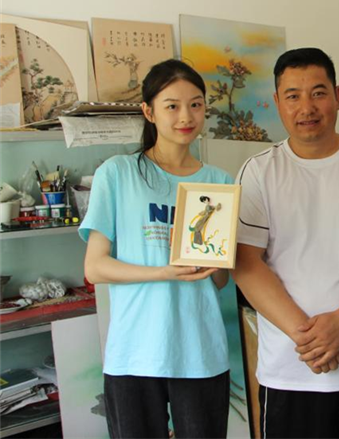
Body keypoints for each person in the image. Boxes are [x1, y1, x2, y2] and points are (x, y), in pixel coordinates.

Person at [233, 47, 339, 439]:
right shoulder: (258, 172)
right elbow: (247, 264)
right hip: (289, 371)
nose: (306, 107)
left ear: (338, 96)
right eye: (293, 96)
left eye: (318, 93)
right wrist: (309, 338)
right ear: (277, 102)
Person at [81, 59, 232, 439]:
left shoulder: (219, 182)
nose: (186, 116)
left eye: (195, 105)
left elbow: (220, 281)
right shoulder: (118, 172)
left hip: (200, 351)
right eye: (172, 106)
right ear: (149, 112)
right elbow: (95, 267)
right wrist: (164, 272)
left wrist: (213, 262)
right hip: (134, 352)